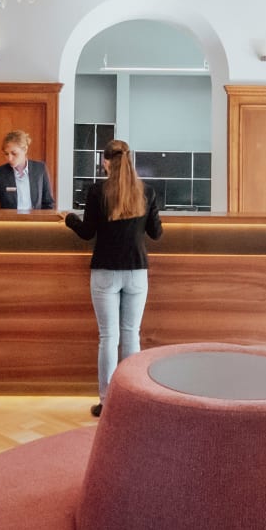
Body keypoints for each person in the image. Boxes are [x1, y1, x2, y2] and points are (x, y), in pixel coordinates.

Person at [64, 140, 162, 417]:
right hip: (136, 271)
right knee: (131, 335)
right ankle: (134, 400)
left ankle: (106, 402)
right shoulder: (147, 191)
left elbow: (87, 232)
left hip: (105, 270)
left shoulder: (96, 192)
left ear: (105, 162)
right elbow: (156, 233)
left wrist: (69, 219)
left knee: (108, 337)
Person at [0, 130, 55, 212]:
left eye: (14, 153)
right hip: (10, 220)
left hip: (36, 219)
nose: (9, 158)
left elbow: (48, 203)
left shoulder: (40, 169)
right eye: (6, 154)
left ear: (25, 150)